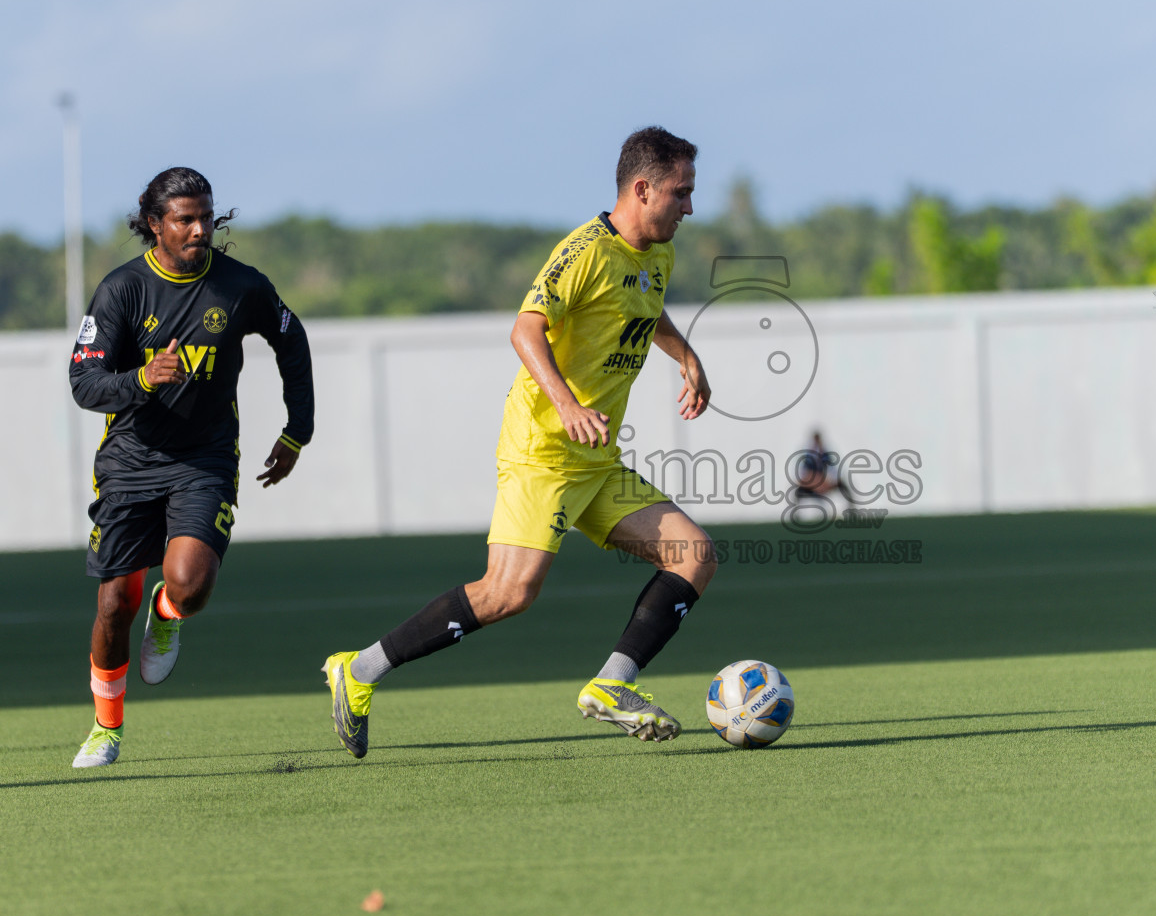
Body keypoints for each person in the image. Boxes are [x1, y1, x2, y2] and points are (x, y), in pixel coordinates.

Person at [323, 126, 715, 758]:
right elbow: (525, 330)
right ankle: (358, 669)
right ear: (642, 190)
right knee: (508, 593)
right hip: (544, 450)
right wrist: (568, 405)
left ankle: (612, 686)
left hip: (596, 459)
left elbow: (647, 307)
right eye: (681, 193)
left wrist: (685, 355)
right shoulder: (584, 251)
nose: (690, 208)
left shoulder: (657, 252)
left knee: (693, 555)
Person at [68, 167, 314, 767]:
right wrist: (140, 379)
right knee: (111, 606)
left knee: (191, 584)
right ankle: (106, 729)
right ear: (155, 225)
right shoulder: (121, 290)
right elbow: (83, 381)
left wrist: (296, 431)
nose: (200, 229)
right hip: (129, 462)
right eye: (185, 219)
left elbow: (292, 340)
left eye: (206, 216)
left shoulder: (241, 286)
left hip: (204, 458)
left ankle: (169, 613)